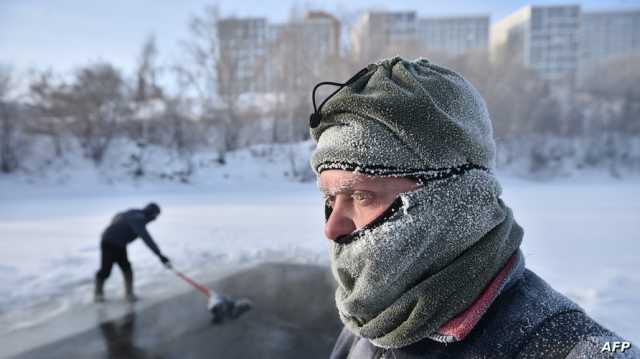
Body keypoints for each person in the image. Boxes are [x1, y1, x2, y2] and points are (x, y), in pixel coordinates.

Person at [309, 57, 638, 358]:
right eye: (329, 199)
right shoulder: (375, 317)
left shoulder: (572, 349)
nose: (332, 227)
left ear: (456, 200)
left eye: (362, 195)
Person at [94, 202, 171, 302]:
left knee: (126, 268)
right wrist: (160, 255)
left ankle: (129, 294)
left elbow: (118, 215)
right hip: (109, 242)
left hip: (119, 243)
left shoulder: (135, 213)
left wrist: (116, 228)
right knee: (106, 269)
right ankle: (98, 294)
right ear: (152, 213)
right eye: (156, 215)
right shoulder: (138, 219)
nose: (155, 219)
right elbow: (146, 238)